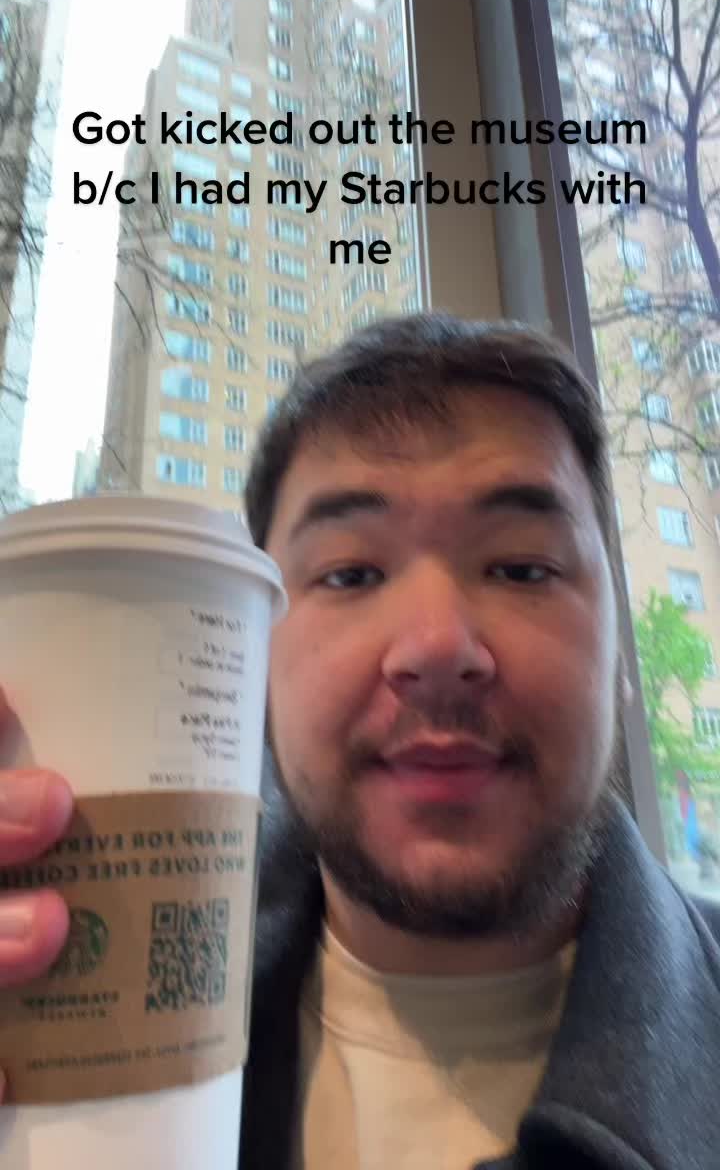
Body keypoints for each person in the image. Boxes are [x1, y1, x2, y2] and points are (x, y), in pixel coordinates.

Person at [1, 313, 719, 1170]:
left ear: (621, 658)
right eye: (351, 574)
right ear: (254, 662)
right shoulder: (61, 1005)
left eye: (523, 568)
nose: (437, 646)